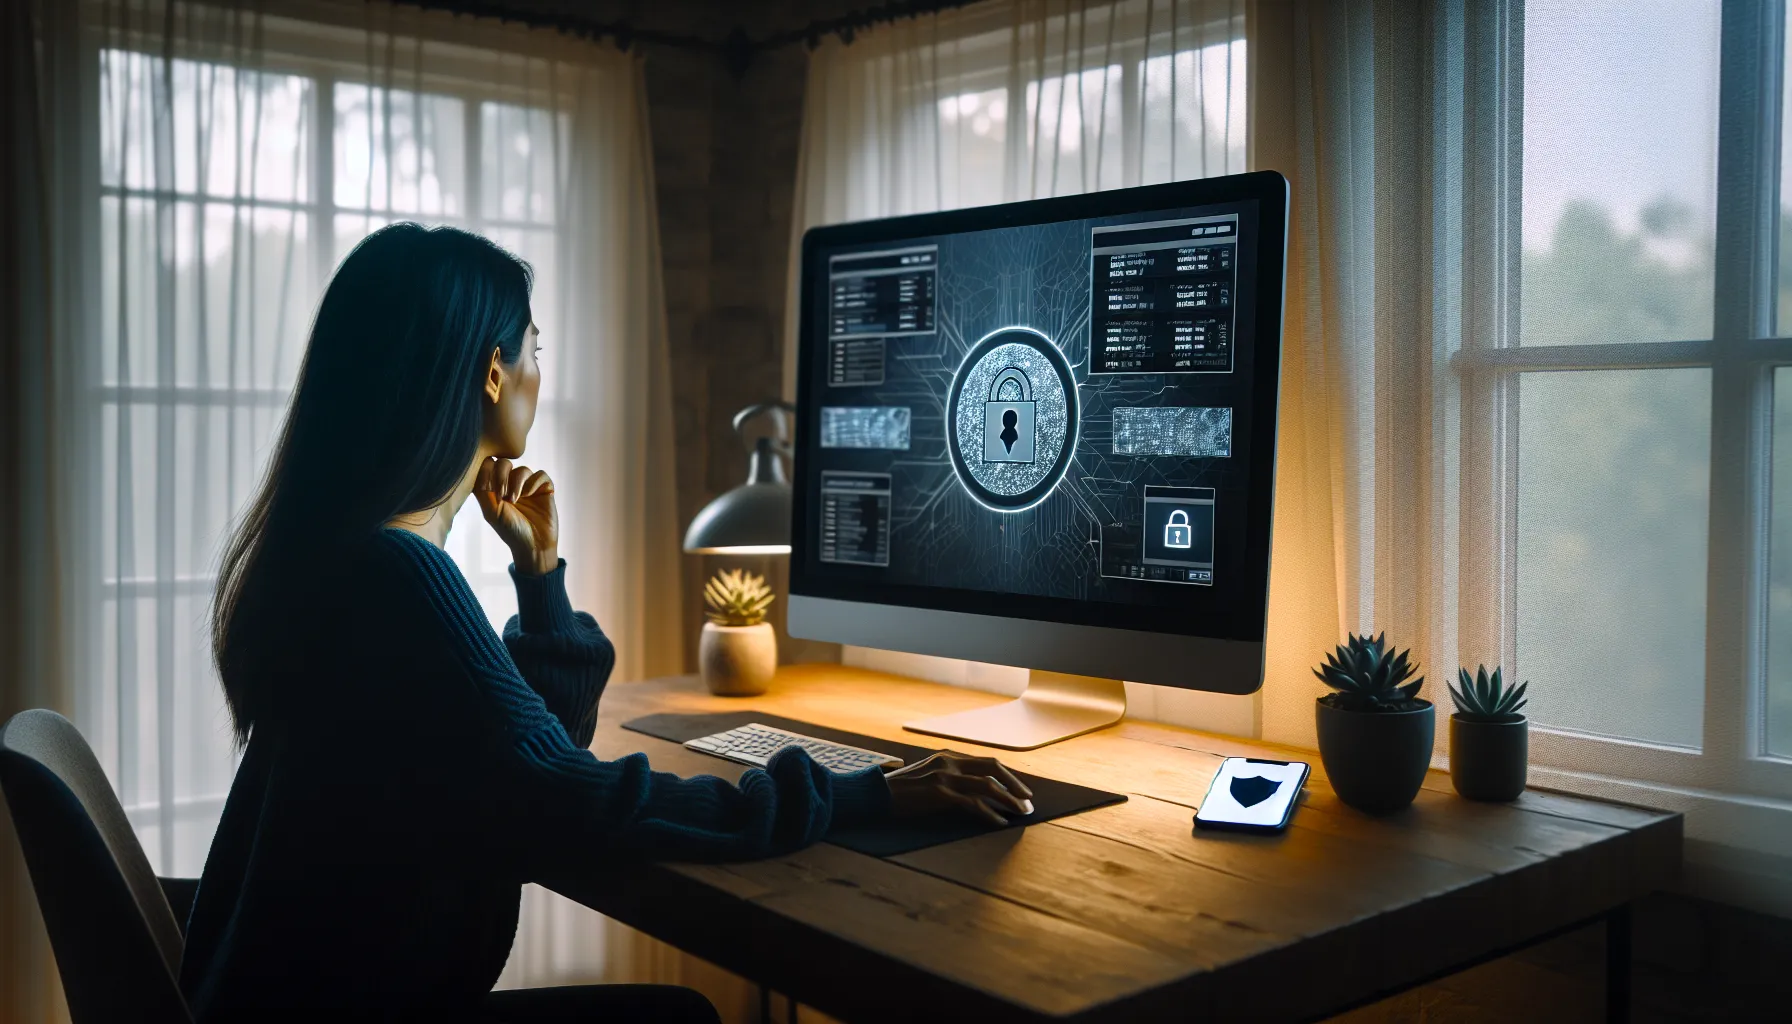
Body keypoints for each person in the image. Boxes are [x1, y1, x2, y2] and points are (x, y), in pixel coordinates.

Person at [186, 224, 1032, 1022]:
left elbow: (522, 762)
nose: (537, 373)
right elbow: (574, 798)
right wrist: (861, 790)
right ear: (491, 373)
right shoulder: (399, 575)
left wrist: (540, 575)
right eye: (535, 350)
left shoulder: (341, 562)